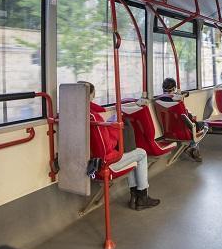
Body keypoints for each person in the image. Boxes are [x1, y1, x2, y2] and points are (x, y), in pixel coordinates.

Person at [83, 82, 160, 211]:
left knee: (131, 156)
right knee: (141, 153)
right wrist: (114, 131)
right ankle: (142, 197)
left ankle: (134, 197)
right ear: (91, 95)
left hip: (91, 161)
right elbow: (107, 146)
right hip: (106, 162)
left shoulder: (77, 115)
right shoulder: (94, 118)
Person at [159, 77, 205, 162]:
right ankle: (192, 146)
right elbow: (186, 118)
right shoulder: (177, 102)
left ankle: (190, 148)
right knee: (204, 125)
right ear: (174, 88)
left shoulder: (158, 101)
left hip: (168, 132)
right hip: (183, 131)